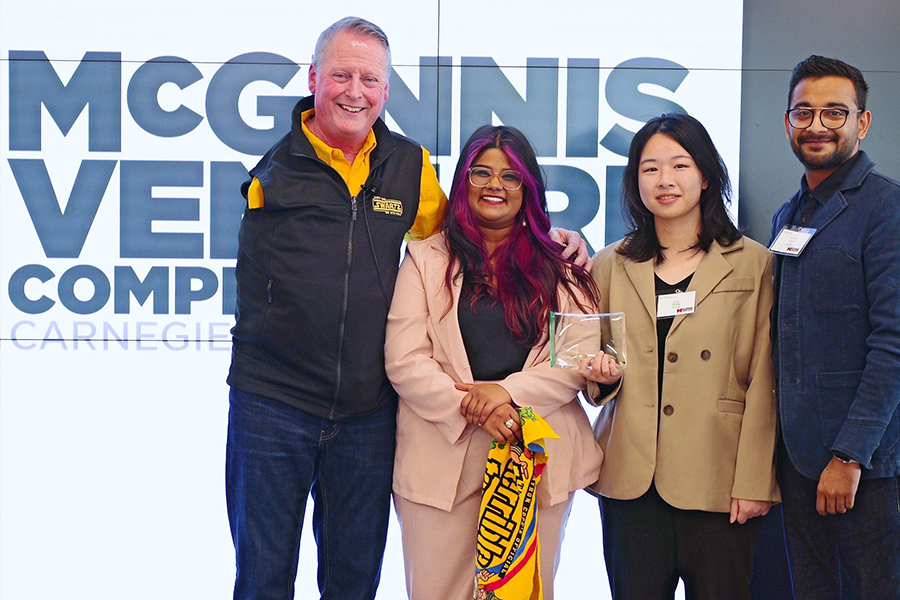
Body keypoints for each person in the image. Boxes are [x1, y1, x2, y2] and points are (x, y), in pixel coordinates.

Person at [225, 17, 589, 600]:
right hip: (275, 402)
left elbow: (466, 231)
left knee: (353, 578)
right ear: (313, 78)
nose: (354, 91)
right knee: (264, 574)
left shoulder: (409, 165)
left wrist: (554, 238)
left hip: (366, 413)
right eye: (340, 74)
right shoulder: (274, 171)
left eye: (369, 78)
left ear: (386, 90)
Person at [384, 125, 604, 600]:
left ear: (529, 188)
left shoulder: (562, 263)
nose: (494, 186)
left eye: (511, 177)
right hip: (439, 457)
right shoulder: (424, 258)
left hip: (534, 456)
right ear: (463, 180)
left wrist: (507, 395)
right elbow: (405, 359)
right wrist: (474, 406)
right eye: (481, 172)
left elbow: (576, 356)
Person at [580, 113, 779, 600]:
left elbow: (766, 377)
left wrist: (755, 479)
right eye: (649, 169)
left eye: (680, 165)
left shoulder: (755, 263)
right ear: (635, 182)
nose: (664, 180)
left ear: (706, 175)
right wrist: (599, 378)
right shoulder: (608, 263)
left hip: (720, 477)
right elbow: (592, 365)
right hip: (630, 479)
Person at [770, 55, 900, 600]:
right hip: (799, 461)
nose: (817, 125)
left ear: (862, 123)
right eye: (804, 112)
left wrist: (849, 456)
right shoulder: (788, 214)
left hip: (862, 469)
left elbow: (893, 344)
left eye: (834, 113)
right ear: (787, 122)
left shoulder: (886, 208)